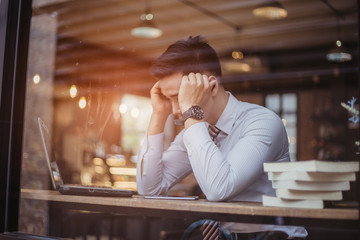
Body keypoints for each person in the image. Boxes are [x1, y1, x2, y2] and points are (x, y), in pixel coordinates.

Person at [136, 36, 307, 239]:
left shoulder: (262, 122)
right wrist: (158, 115)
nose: (175, 110)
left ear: (212, 87)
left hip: (275, 236)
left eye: (179, 98)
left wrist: (192, 112)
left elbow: (219, 189)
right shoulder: (196, 129)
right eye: (169, 99)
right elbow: (150, 189)